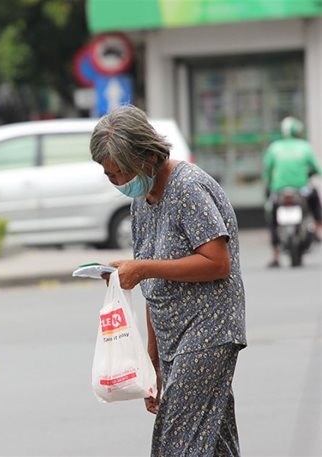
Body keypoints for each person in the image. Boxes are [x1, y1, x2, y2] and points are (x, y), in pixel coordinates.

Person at [90, 105, 247, 456]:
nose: (118, 182)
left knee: (175, 440)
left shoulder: (188, 188)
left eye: (122, 173)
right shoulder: (142, 201)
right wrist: (152, 360)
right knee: (215, 441)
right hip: (173, 335)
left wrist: (143, 267)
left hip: (209, 331)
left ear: (147, 156)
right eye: (109, 176)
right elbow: (155, 287)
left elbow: (217, 262)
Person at [263, 116, 322, 267]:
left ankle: (275, 255)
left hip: (279, 191)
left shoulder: (274, 147)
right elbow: (316, 168)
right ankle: (317, 229)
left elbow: (267, 170)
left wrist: (270, 184)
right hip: (302, 190)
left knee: (272, 218)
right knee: (315, 199)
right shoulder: (304, 147)